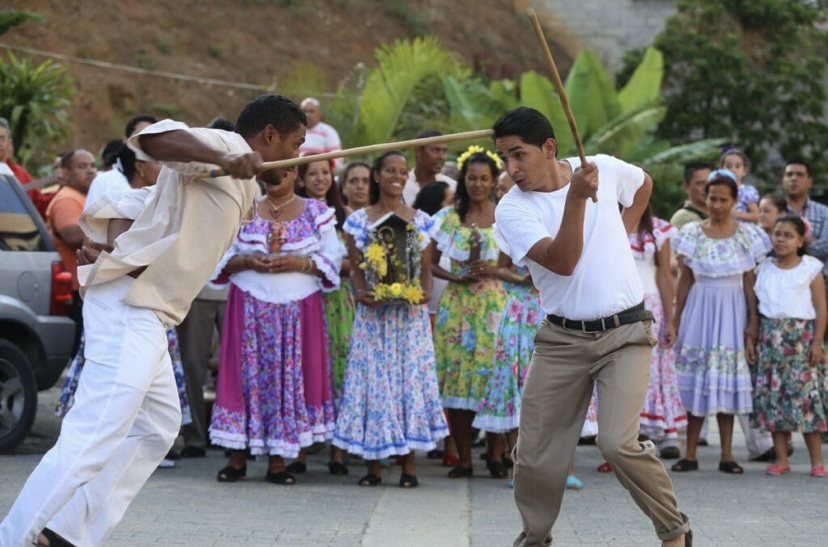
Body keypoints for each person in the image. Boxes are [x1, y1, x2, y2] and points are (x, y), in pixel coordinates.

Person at [0, 93, 306, 547]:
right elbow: (152, 140)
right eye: (296, 145)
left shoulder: (240, 186)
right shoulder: (224, 145)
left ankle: (65, 530)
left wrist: (112, 246)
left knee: (157, 426)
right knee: (93, 434)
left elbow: (143, 202)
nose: (298, 157)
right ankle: (13, 537)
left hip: (149, 314)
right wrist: (227, 157)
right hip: (129, 309)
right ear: (269, 135)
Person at [492, 107, 691, 547]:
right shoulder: (512, 208)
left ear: (549, 147)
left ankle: (674, 532)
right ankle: (536, 538)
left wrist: (622, 228)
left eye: (519, 154)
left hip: (625, 333)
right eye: (504, 157)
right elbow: (563, 262)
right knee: (534, 455)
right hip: (560, 340)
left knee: (617, 444)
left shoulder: (601, 167)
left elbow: (643, 184)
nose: (511, 168)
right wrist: (578, 199)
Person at [209, 160, 342, 485]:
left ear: (294, 172)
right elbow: (220, 255)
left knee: (287, 377)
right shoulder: (246, 210)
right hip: (250, 303)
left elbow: (333, 256)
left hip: (298, 307)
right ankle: (237, 455)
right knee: (246, 375)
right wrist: (248, 260)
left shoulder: (315, 212)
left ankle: (279, 459)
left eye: (282, 170)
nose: (274, 177)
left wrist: (300, 262)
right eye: (268, 172)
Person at [333, 150, 448, 488]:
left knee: (408, 383)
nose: (397, 177)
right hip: (373, 317)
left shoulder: (421, 220)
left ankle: (409, 465)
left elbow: (425, 270)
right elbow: (356, 268)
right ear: (377, 175)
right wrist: (361, 292)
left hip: (410, 319)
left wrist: (425, 294)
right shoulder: (359, 221)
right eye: (390, 171)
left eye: (402, 171)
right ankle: (374, 466)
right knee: (375, 384)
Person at [671, 173, 771, 475]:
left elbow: (750, 282)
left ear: (735, 201)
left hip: (732, 312)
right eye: (712, 198)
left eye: (723, 200)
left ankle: (727, 454)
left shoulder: (747, 235)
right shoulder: (692, 233)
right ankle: (689, 453)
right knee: (696, 381)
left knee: (726, 381)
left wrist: (753, 320)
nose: (716, 205)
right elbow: (685, 280)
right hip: (699, 310)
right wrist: (675, 320)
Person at [431, 146, 509, 479]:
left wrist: (493, 270)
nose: (477, 184)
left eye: (484, 179)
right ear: (463, 180)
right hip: (457, 306)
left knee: (492, 379)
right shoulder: (449, 217)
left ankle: (495, 452)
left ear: (493, 181)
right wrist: (455, 276)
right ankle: (464, 458)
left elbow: (514, 262)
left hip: (493, 304)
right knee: (457, 379)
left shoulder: (505, 216)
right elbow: (429, 262)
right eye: (472, 178)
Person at [174, 115, 238, 459]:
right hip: (197, 290)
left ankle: (234, 437)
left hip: (236, 289)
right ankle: (195, 437)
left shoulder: (248, 181)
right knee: (193, 366)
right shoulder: (193, 177)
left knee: (236, 365)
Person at [749, 215, 827, 477]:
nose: (781, 239)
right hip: (771, 341)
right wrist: (753, 338)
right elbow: (756, 310)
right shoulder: (764, 268)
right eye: (778, 234)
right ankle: (781, 459)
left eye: (788, 235)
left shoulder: (810, 268)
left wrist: (817, 343)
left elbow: (821, 307)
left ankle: (817, 462)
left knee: (805, 401)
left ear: (800, 241)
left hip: (801, 342)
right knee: (775, 401)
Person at [296, 157, 354, 475]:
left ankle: (338, 452)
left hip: (339, 304)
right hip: (306, 300)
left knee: (340, 371)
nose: (320, 179)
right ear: (301, 179)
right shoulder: (296, 214)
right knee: (305, 370)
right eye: (313, 174)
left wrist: (325, 263)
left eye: (325, 173)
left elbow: (355, 263)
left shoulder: (345, 216)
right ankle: (300, 452)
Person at [46, 149, 97, 355]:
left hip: (83, 289)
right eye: (82, 166)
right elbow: (72, 236)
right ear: (65, 173)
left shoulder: (83, 197)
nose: (90, 171)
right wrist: (110, 226)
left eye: (93, 165)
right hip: (74, 291)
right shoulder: (67, 198)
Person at [85, 114, 159, 210]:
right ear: (125, 140)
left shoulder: (165, 185)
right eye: (140, 135)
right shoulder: (105, 181)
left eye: (153, 137)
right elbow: (91, 218)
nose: (146, 141)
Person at [782, 159, 828, 274]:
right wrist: (808, 241)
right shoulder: (772, 210)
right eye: (789, 174)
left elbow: (825, 248)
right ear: (783, 180)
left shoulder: (824, 212)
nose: (793, 178)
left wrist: (789, 243)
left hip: (815, 278)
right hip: (778, 276)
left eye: (800, 175)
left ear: (809, 182)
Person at [402, 129, 457, 205]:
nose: (442, 157)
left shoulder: (453, 187)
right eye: (435, 150)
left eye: (444, 151)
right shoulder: (401, 187)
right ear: (419, 151)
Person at [299, 97, 343, 169]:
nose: (307, 115)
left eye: (311, 111)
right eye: (304, 111)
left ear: (319, 114)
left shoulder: (329, 132)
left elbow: (337, 161)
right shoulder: (293, 131)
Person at [670, 161, 712, 231]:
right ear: (686, 187)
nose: (706, 188)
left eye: (710, 183)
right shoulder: (682, 218)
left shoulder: (720, 214)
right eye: (700, 184)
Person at [720, 149, 759, 223]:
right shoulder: (718, 190)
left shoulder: (747, 191)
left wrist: (737, 214)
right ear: (722, 169)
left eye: (737, 167)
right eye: (729, 166)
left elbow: (756, 215)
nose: (733, 170)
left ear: (744, 171)